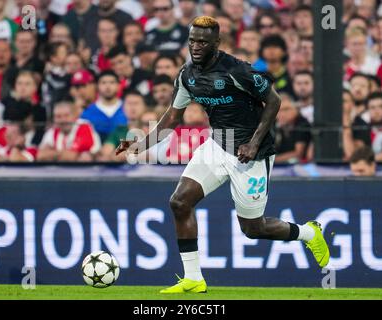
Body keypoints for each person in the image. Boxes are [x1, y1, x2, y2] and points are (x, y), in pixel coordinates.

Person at [116, 16, 329, 294]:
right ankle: (193, 278)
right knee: (180, 202)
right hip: (218, 145)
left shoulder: (237, 71)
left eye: (203, 41)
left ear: (217, 43)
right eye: (192, 40)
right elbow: (171, 118)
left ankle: (309, 233)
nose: (196, 46)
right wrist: (139, 145)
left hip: (252, 155)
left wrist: (253, 143)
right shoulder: (187, 75)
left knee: (253, 229)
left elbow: (274, 101)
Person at [81, 70, 127, 142]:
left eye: (112, 82)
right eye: (103, 83)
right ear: (97, 86)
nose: (107, 86)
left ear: (119, 86)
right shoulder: (87, 113)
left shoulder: (128, 109)